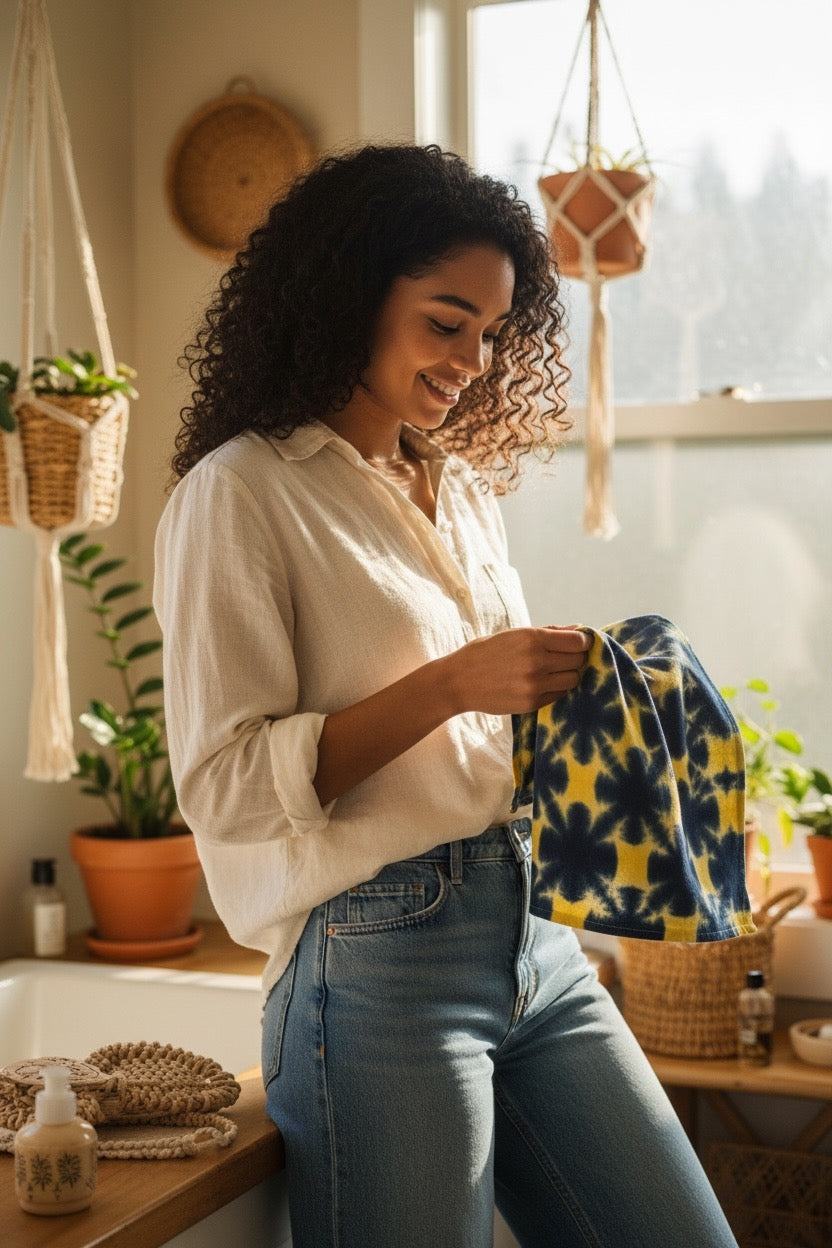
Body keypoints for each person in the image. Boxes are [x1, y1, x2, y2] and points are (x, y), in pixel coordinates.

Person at [154, 144, 739, 1248]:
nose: (472, 358)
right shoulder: (237, 494)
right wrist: (457, 682)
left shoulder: (458, 490)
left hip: (531, 934)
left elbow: (470, 739)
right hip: (380, 961)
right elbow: (229, 789)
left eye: (490, 333)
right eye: (445, 321)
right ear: (351, 294)